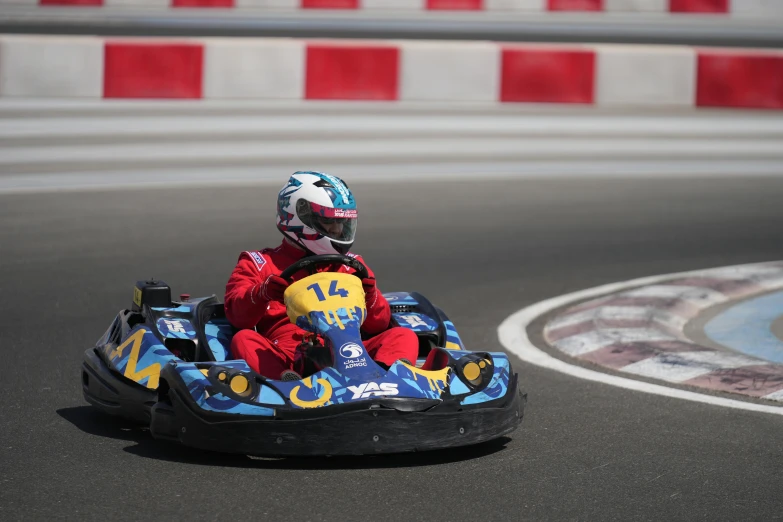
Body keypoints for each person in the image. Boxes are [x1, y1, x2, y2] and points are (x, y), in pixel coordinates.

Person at [225, 171, 419, 381]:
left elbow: (378, 325)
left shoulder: (352, 265)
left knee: (403, 335)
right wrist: (262, 293)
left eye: (341, 222)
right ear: (301, 217)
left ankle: (390, 377)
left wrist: (370, 297)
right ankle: (284, 384)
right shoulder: (258, 263)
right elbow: (237, 316)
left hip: (351, 350)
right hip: (287, 354)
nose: (337, 229)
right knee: (243, 339)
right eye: (329, 221)